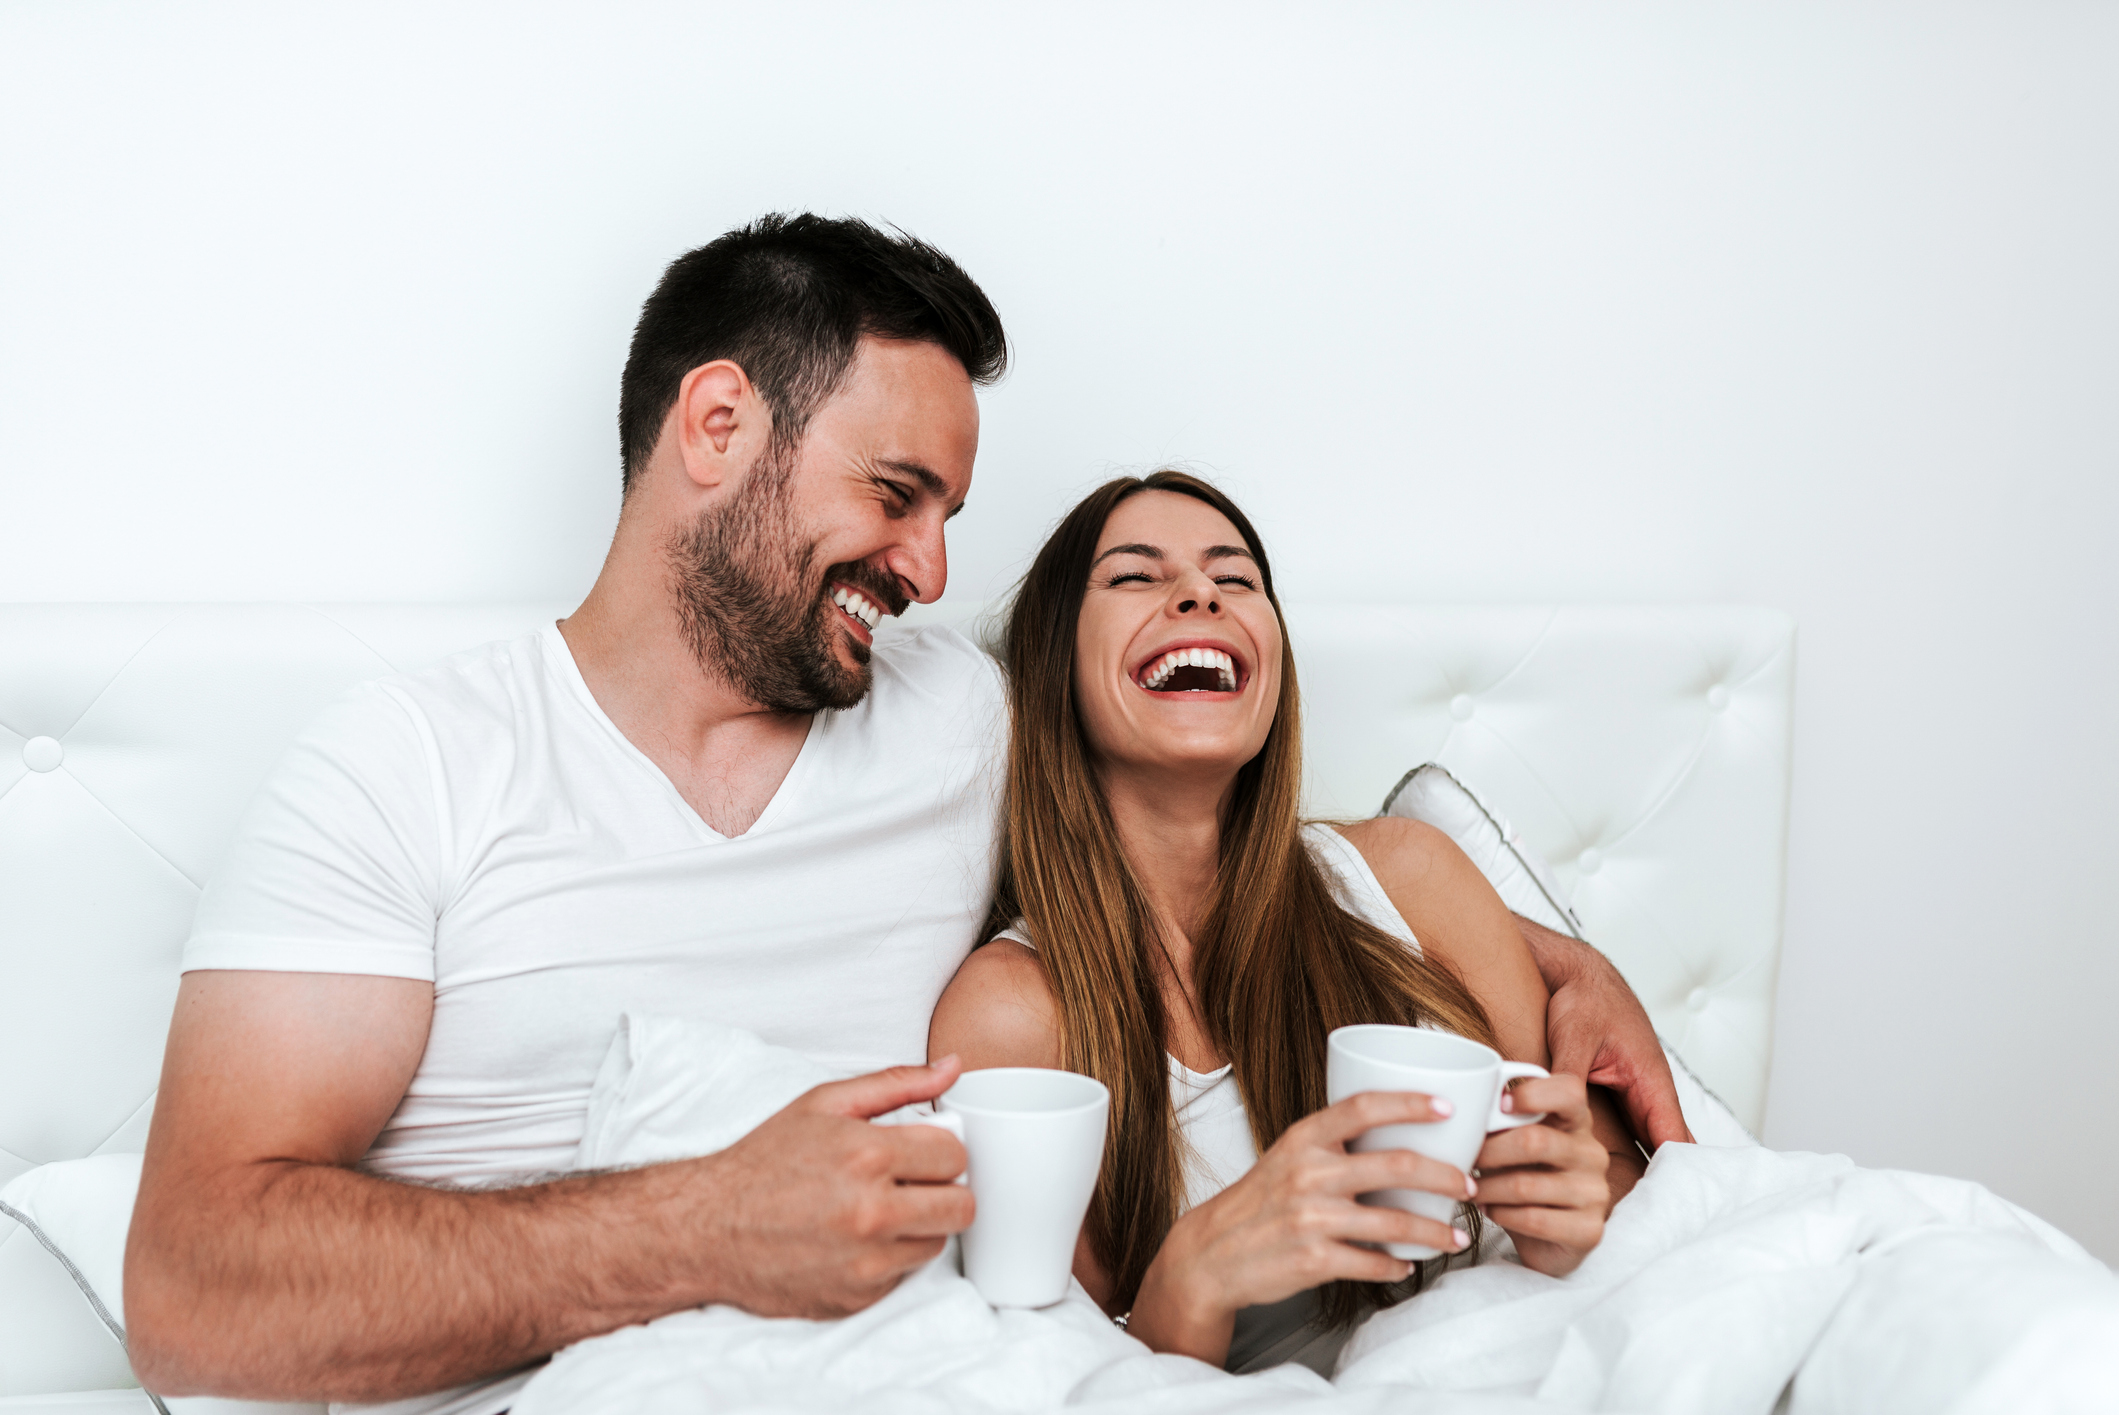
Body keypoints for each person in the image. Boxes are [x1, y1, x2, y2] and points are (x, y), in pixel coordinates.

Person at [125, 214, 1686, 1413]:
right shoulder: (408, 767)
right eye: (895, 494)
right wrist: (696, 1226)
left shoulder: (960, 723)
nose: (932, 572)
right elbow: (195, 1283)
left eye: (947, 517)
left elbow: (1224, 821)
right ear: (718, 425)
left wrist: (1550, 957)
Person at [930, 470, 1648, 1375]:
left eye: (1234, 580)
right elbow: (1061, 1383)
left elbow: (1622, 1212)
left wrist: (1571, 1216)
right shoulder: (1010, 1018)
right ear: (1052, 663)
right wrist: (1192, 1277)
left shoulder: (1412, 878)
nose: (1199, 592)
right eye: (1134, 577)